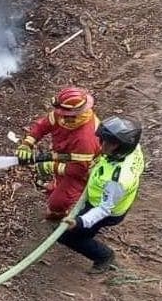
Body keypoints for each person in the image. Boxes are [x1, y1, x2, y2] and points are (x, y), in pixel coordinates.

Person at [60, 116, 145, 272]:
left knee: (67, 237)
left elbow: (104, 209)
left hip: (105, 209)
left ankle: (104, 256)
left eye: (109, 143)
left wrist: (79, 222)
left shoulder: (116, 180)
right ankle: (87, 232)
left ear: (121, 147)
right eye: (103, 140)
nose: (102, 145)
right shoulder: (132, 151)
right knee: (81, 228)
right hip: (111, 199)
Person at [16, 86, 101, 220]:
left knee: (57, 202)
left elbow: (79, 170)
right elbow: (42, 126)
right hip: (65, 157)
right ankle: (57, 186)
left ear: (74, 114)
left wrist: (51, 166)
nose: (59, 115)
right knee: (58, 185)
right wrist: (27, 144)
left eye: (63, 114)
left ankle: (58, 214)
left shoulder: (85, 138)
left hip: (82, 169)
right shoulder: (64, 115)